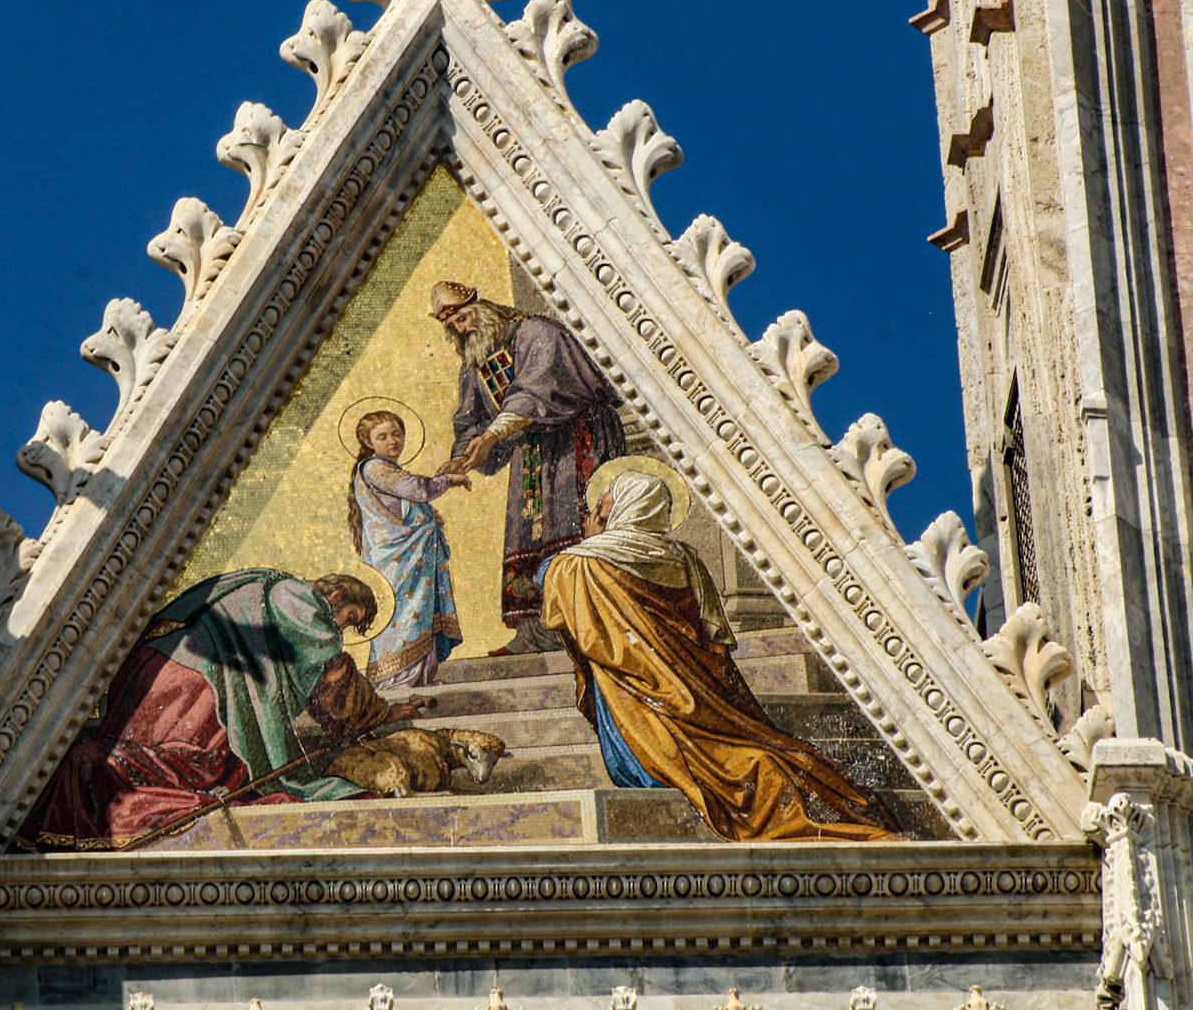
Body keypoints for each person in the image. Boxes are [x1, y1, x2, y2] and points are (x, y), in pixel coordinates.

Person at [538, 458, 904, 842]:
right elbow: (714, 646)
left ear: (625, 511)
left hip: (641, 714)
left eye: (600, 508)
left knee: (757, 767)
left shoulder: (576, 567)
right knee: (764, 762)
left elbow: (556, 599)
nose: (592, 516)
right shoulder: (688, 562)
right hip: (704, 704)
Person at [13, 568, 429, 852]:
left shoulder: (258, 585)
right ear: (334, 595)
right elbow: (318, 648)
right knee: (197, 760)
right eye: (346, 617)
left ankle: (115, 773)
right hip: (196, 679)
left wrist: (379, 715)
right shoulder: (294, 592)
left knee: (161, 755)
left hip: (159, 669)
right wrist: (370, 708)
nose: (339, 627)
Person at [432, 281, 627, 654]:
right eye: (451, 326)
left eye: (462, 318)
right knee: (530, 533)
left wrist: (490, 436)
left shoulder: (536, 332)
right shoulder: (476, 362)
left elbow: (534, 392)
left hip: (576, 438)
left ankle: (587, 625)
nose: (460, 329)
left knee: (576, 526)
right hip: (532, 453)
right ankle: (535, 632)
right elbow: (470, 419)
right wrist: (461, 458)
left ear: (483, 308)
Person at [348, 409, 469, 690]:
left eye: (397, 434)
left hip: (410, 558)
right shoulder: (374, 467)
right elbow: (417, 489)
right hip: (397, 559)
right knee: (405, 615)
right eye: (383, 437)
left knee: (419, 613)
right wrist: (450, 480)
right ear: (368, 442)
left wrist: (427, 515)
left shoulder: (386, 468)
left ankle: (420, 679)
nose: (392, 441)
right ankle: (398, 682)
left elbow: (409, 503)